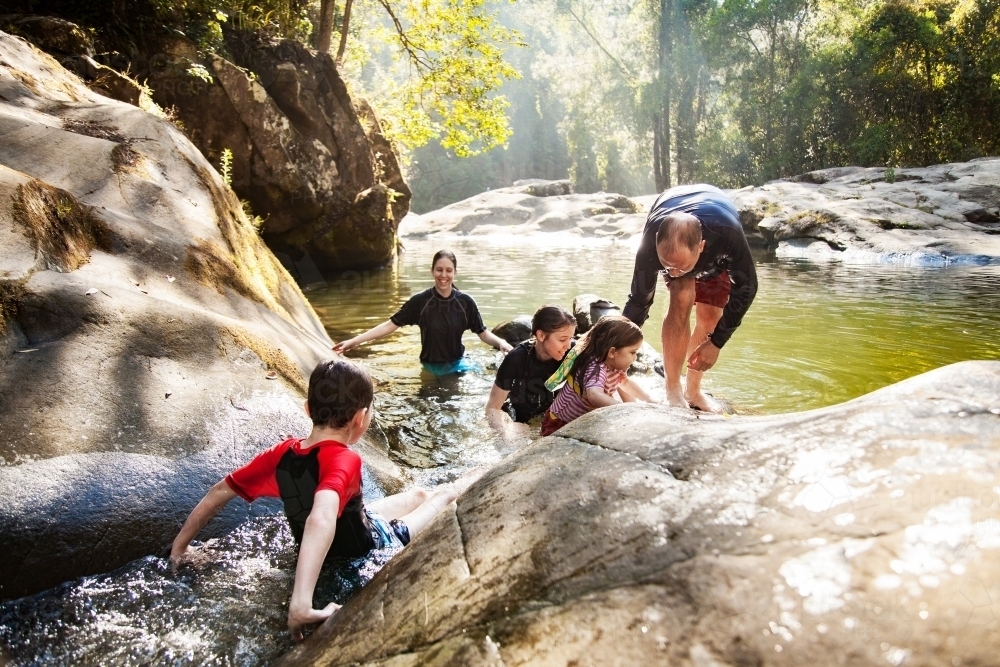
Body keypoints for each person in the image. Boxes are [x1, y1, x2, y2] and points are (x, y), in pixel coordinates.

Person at [169, 359, 460, 642]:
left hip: (349, 526)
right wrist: (300, 605)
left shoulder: (282, 453)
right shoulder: (345, 460)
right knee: (443, 497)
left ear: (308, 410)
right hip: (369, 548)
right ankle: (479, 476)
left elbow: (217, 493)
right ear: (361, 418)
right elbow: (321, 517)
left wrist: (180, 549)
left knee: (419, 495)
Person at [622, 184, 757, 413]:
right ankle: (673, 389)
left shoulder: (727, 236)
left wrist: (716, 342)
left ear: (701, 247)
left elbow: (746, 289)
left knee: (710, 313)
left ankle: (693, 391)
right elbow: (639, 300)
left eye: (679, 266)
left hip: (716, 220)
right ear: (656, 244)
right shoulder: (649, 247)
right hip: (669, 207)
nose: (672, 273)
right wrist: (611, 345)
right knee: (681, 293)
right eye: (667, 265)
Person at [333, 250, 512, 374]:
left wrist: (501, 343)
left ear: (455, 273)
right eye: (439, 270)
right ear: (432, 271)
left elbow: (482, 333)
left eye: (448, 270)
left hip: (459, 364)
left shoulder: (465, 302)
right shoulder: (421, 301)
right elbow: (390, 324)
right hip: (431, 367)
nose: (444, 275)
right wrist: (354, 341)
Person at [540, 315, 656, 436]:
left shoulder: (614, 366)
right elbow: (594, 395)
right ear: (612, 352)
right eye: (632, 352)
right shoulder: (595, 368)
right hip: (559, 423)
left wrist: (647, 401)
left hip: (579, 422)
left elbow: (625, 384)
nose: (635, 357)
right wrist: (623, 409)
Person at [485, 305, 576, 439]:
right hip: (520, 419)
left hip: (552, 415)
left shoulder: (573, 352)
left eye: (571, 338)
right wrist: (504, 435)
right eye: (562, 339)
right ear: (541, 335)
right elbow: (492, 407)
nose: (568, 345)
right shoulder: (516, 359)